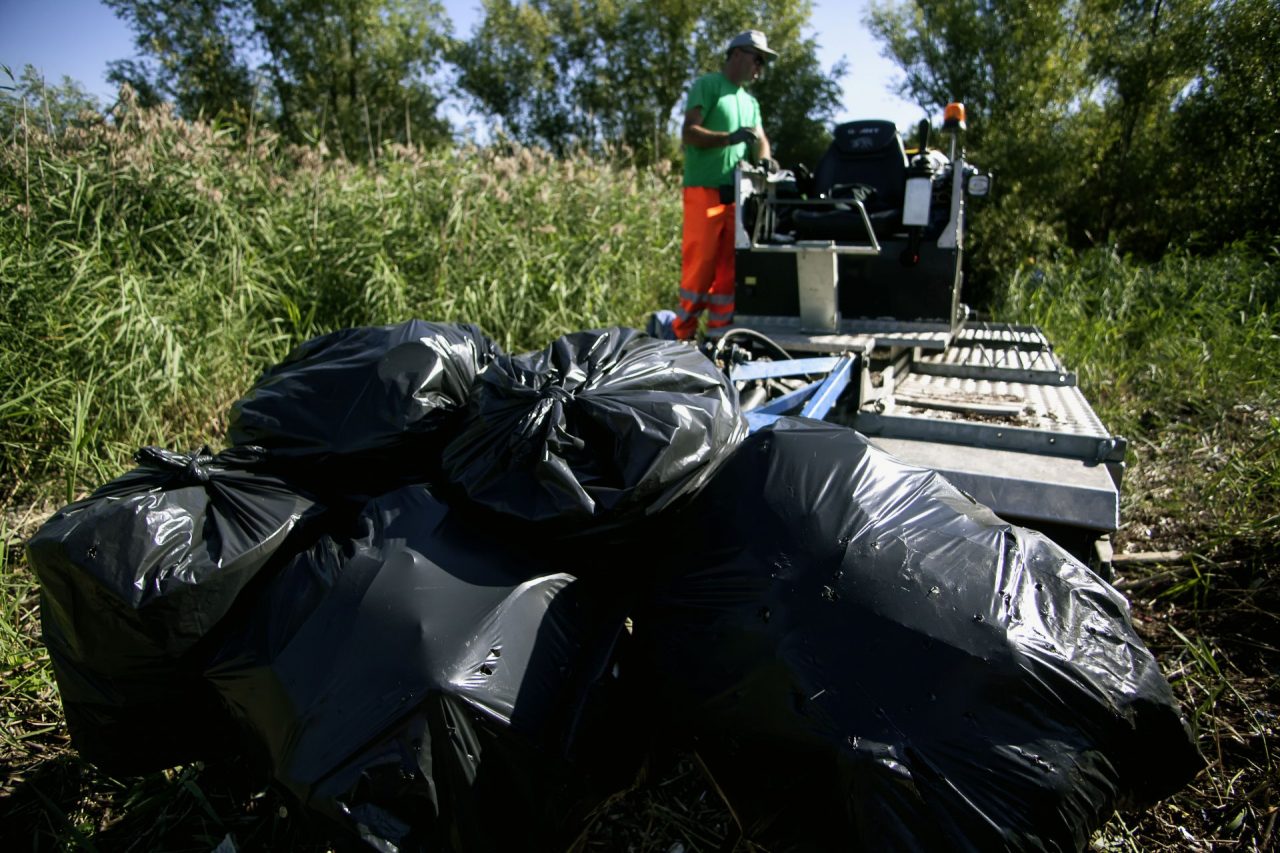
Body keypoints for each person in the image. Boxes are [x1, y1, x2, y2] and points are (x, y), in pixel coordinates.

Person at [672, 30, 778, 341]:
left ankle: (720, 339)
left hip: (738, 197)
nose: (760, 67)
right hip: (704, 192)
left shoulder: (750, 103)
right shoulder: (708, 86)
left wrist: (766, 159)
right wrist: (728, 139)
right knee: (699, 269)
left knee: (728, 273)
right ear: (736, 54)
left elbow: (762, 142)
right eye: (757, 59)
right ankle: (682, 338)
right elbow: (688, 133)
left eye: (763, 62)